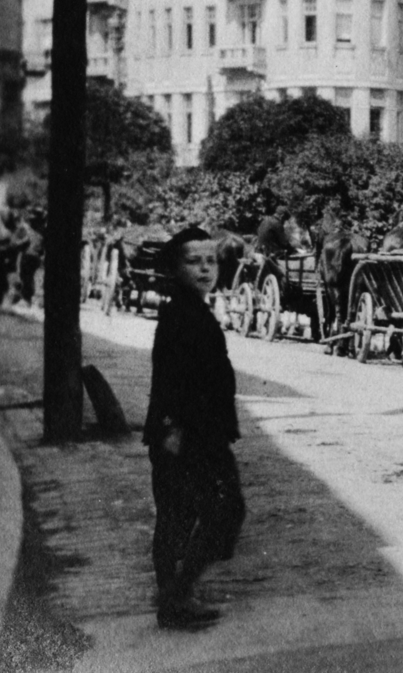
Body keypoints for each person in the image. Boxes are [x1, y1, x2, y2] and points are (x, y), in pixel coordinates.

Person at [143, 226, 246, 630]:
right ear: (174, 268)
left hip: (202, 432)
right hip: (186, 435)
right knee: (214, 511)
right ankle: (175, 597)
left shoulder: (193, 309)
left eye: (210, 260)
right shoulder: (180, 314)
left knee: (183, 515)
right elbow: (169, 377)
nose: (205, 269)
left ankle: (174, 598)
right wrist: (170, 428)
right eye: (193, 261)